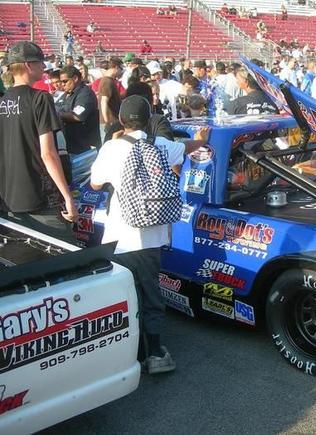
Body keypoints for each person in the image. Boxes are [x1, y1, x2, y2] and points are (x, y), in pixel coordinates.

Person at [90, 95, 209, 374]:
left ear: (121, 120)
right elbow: (189, 147)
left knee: (123, 296)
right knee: (151, 293)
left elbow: (95, 184)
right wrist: (202, 139)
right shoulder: (161, 144)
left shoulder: (111, 148)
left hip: (119, 237)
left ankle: (126, 355)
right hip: (153, 236)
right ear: (149, 119)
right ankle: (155, 353)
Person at [0, 41, 78, 242]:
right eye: (41, 62)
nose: (44, 67)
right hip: (40, 199)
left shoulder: (2, 100)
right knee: (63, 260)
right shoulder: (40, 99)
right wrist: (67, 196)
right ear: (28, 65)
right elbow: (48, 153)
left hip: (8, 199)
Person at [59, 65, 101, 154]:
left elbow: (77, 116)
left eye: (65, 81)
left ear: (75, 78)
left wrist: (57, 115)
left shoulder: (85, 94)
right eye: (61, 82)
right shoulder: (65, 94)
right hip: (70, 144)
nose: (62, 84)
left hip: (84, 146)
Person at [98, 57, 123, 141]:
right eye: (121, 68)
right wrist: (107, 122)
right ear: (116, 67)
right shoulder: (107, 81)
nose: (121, 71)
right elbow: (104, 102)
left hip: (113, 121)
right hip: (110, 122)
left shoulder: (110, 81)